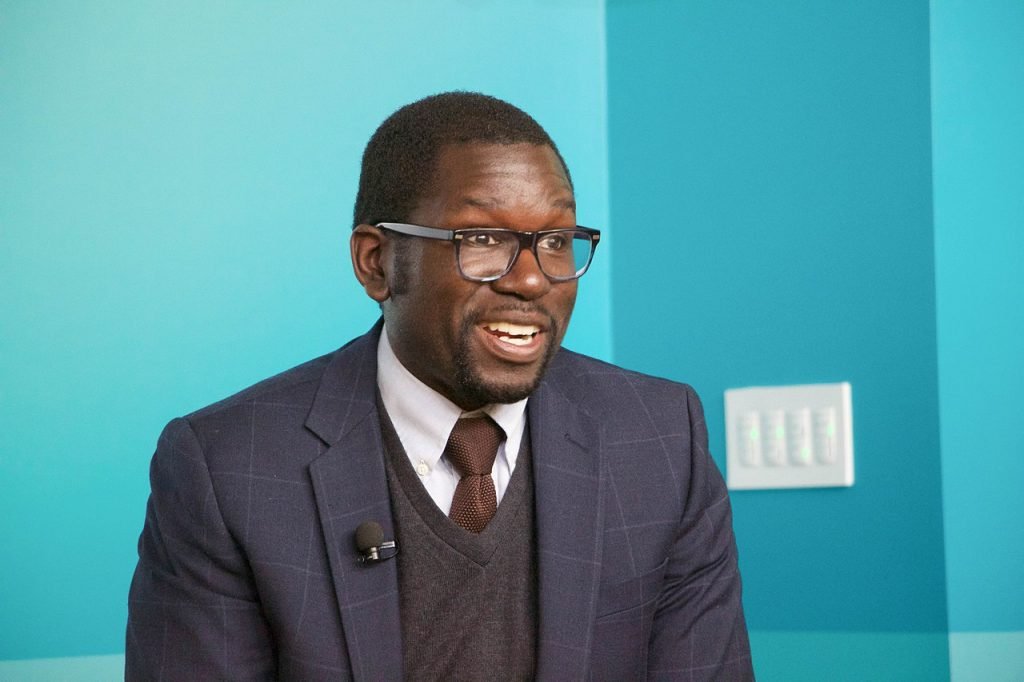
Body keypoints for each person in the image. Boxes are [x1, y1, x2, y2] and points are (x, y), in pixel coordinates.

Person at [126, 91, 753, 681]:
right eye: (482, 240)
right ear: (377, 263)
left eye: (556, 242)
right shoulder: (228, 468)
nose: (532, 281)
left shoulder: (661, 439)